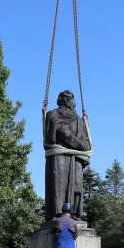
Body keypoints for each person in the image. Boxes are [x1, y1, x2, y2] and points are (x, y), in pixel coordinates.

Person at [44, 89, 92, 221]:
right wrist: (78, 144)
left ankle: (75, 213)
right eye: (65, 97)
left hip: (76, 156)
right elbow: (61, 129)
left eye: (71, 98)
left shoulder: (79, 119)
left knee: (77, 184)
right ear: (60, 100)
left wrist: (85, 148)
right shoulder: (52, 114)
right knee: (59, 182)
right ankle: (58, 213)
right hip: (60, 154)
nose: (69, 100)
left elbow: (85, 138)